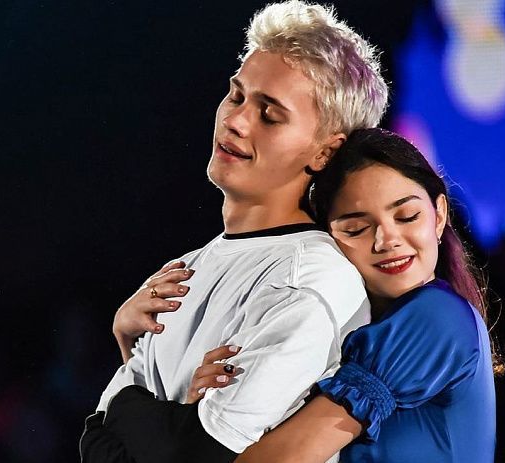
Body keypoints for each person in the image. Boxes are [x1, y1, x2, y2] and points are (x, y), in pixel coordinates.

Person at [80, 1, 388, 461]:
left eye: (270, 114)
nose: (236, 120)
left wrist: (126, 407)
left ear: (325, 152)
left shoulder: (311, 279)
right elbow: (94, 441)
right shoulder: (186, 268)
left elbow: (197, 455)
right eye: (237, 95)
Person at [184, 129, 498, 462]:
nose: (387, 240)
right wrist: (210, 405)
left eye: (407, 216)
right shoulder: (342, 334)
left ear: (439, 216)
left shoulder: (436, 315)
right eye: (356, 228)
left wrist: (208, 436)